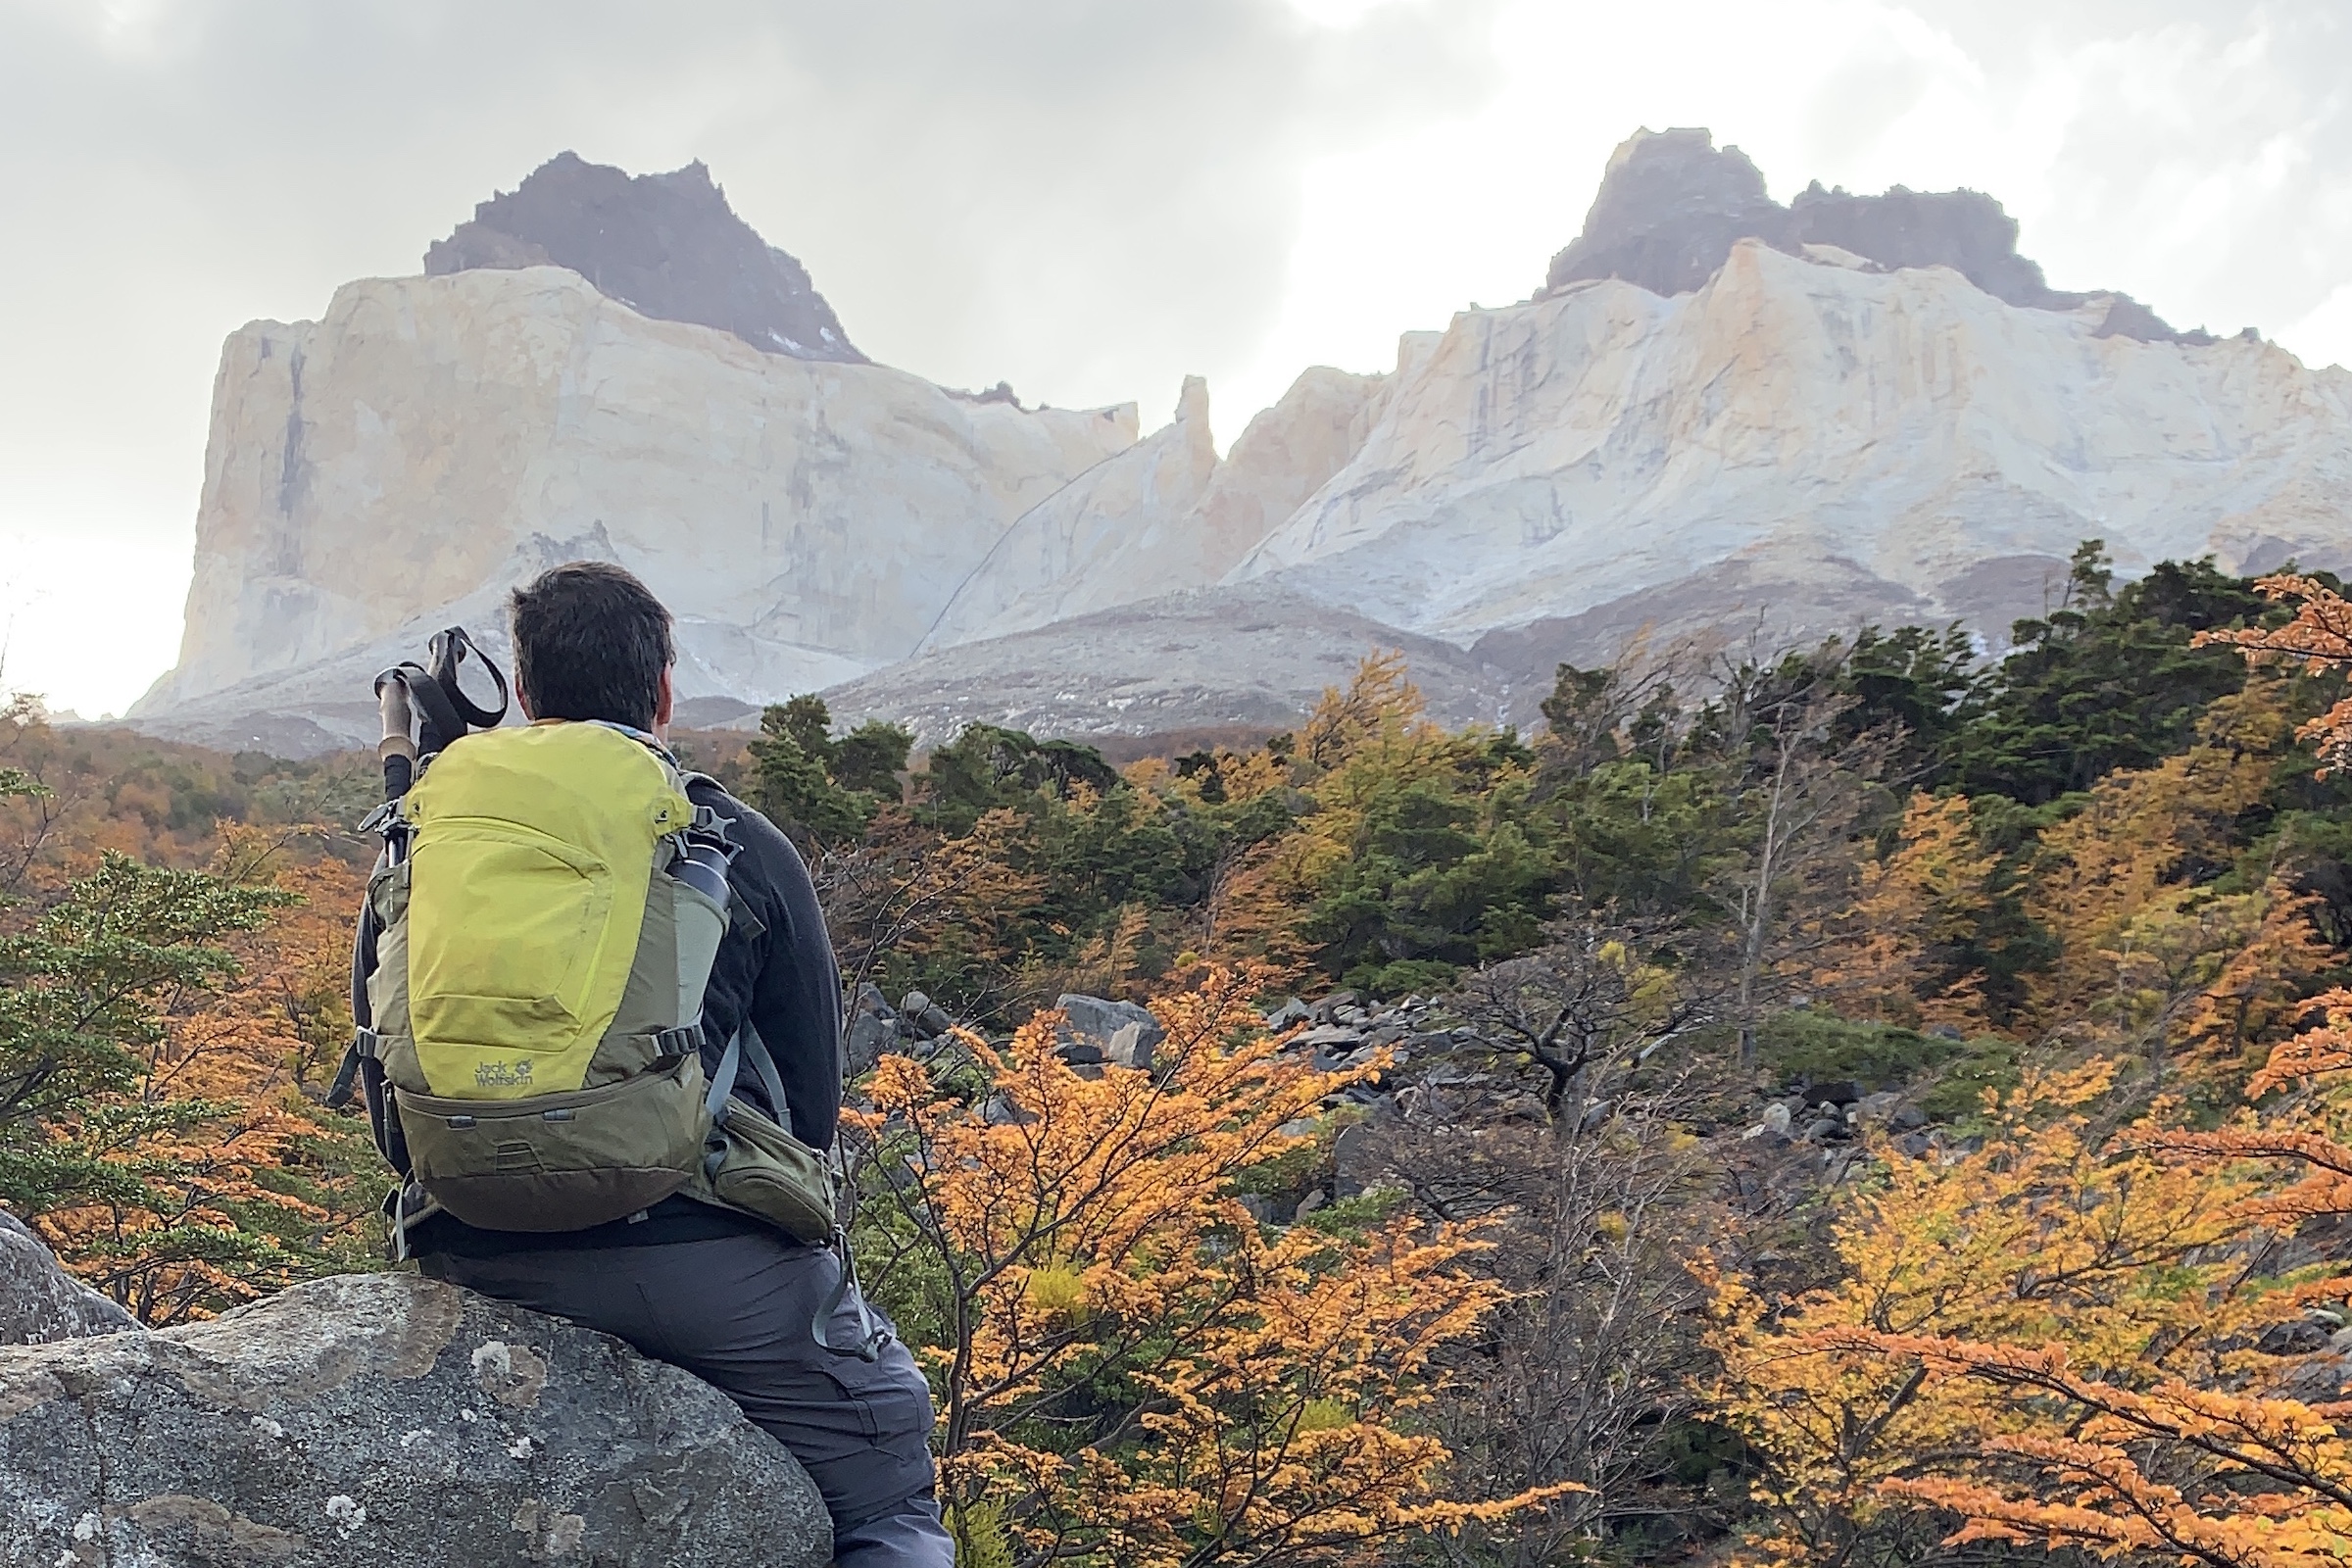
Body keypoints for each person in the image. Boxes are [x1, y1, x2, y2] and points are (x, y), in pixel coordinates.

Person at [404, 561, 953, 1568]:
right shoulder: (732, 836)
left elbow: (388, 1082)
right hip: (698, 1261)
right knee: (887, 1465)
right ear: (662, 691)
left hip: (470, 1244)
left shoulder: (433, 836)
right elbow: (815, 1112)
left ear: (526, 696)